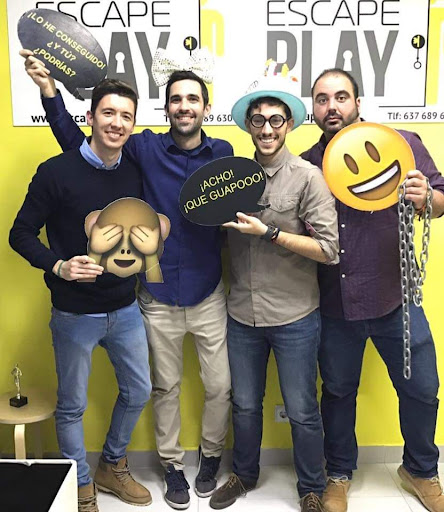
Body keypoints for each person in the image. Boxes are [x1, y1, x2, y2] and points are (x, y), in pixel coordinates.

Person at [20, 47, 232, 510]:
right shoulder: (142, 150)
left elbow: (235, 208)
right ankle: (132, 474)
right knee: (148, 390)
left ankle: (178, 460)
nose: (184, 107)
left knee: (197, 388)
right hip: (139, 297)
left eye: (192, 99)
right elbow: (78, 146)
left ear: (205, 107)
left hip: (189, 293)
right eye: (176, 99)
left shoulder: (222, 155)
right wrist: (50, 93)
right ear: (165, 108)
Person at [301, 68, 444, 512]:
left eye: (341, 97)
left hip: (396, 297)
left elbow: (441, 200)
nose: (332, 106)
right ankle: (339, 473)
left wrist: (426, 197)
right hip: (334, 302)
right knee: (338, 393)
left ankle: (420, 469)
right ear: (314, 109)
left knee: (422, 389)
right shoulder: (305, 164)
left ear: (358, 102)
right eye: (322, 99)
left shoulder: (401, 145)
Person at [9, 79, 152, 512]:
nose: (117, 123)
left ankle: (111, 464)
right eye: (108, 113)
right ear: (90, 118)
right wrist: (59, 265)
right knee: (72, 407)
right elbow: (20, 233)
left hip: (125, 307)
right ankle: (81, 484)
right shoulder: (56, 172)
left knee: (139, 390)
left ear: (132, 124)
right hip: (73, 313)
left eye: (126, 116)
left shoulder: (134, 170)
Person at [209, 62, 339, 512]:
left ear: (288, 125)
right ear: (248, 124)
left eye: (275, 120)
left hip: (295, 316)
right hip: (241, 315)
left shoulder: (308, 177)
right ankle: (244, 475)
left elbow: (329, 250)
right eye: (258, 120)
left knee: (302, 409)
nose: (267, 129)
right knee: (245, 405)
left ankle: (312, 488)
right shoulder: (229, 179)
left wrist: (270, 232)